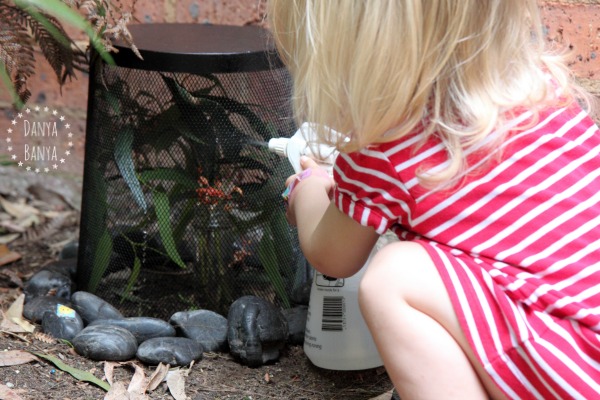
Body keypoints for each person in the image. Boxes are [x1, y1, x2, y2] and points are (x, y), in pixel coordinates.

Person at [267, 1, 600, 399]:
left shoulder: (387, 144)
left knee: (396, 277)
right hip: (583, 344)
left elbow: (332, 254)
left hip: (575, 371)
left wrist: (308, 185)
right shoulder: (543, 88)